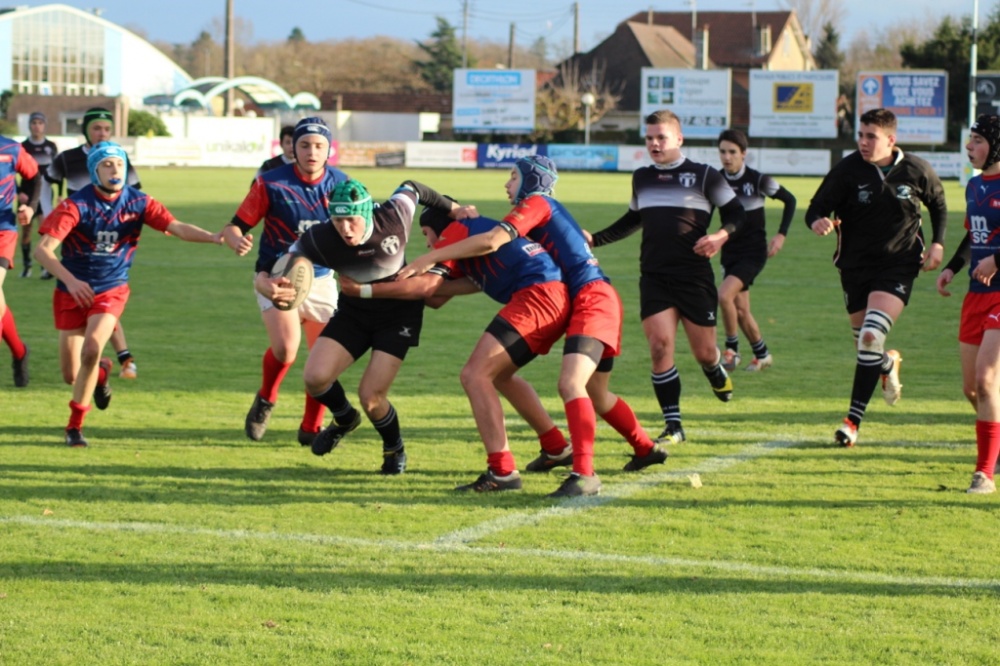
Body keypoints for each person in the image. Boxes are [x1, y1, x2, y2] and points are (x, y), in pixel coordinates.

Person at [398, 156, 665, 496]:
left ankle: (584, 474)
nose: (507, 184)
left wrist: (429, 257)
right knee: (595, 393)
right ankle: (644, 448)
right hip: (590, 298)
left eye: (513, 176)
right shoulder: (541, 214)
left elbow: (492, 240)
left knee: (570, 384)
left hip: (591, 297)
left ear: (532, 180)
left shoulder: (537, 202)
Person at [339, 203, 574, 492]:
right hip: (552, 297)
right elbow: (436, 297)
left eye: (426, 234)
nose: (428, 243)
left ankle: (502, 472)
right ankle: (556, 447)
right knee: (500, 376)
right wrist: (393, 283)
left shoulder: (456, 230)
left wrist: (365, 289)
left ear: (438, 229)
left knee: (474, 376)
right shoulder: (470, 240)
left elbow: (427, 288)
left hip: (536, 297)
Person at [33, 142, 223, 447]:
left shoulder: (139, 202)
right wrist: (71, 281)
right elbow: (43, 252)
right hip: (72, 291)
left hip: (111, 288)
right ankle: (102, 372)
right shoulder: (76, 205)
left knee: (91, 349)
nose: (115, 170)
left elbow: (177, 227)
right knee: (71, 374)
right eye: (107, 164)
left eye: (120, 164)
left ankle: (74, 427)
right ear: (95, 171)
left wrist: (213, 237)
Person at [270, 178, 457, 475]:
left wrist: (454, 209)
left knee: (371, 396)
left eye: (351, 220)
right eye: (338, 220)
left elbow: (413, 187)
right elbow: (285, 262)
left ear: (367, 213)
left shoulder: (394, 215)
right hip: (354, 313)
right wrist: (271, 285)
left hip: (399, 315)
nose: (345, 229)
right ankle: (345, 418)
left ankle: (394, 448)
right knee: (315, 378)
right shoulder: (320, 237)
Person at [585, 110, 746, 445]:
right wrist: (595, 239)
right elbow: (633, 219)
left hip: (694, 277)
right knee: (660, 348)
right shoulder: (642, 177)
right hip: (655, 276)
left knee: (704, 352)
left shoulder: (704, 175)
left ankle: (714, 367)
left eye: (661, 137)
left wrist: (720, 236)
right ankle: (674, 426)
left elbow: (737, 213)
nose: (654, 144)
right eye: (649, 138)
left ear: (679, 139)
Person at [805, 107, 947, 447]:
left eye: (871, 136)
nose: (864, 142)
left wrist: (938, 244)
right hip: (854, 268)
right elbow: (815, 208)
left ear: (891, 140)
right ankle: (888, 364)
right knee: (867, 346)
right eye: (861, 135)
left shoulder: (916, 169)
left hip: (898, 265)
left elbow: (939, 204)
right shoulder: (847, 170)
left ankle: (851, 423)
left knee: (870, 336)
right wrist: (818, 222)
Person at [222, 117, 348, 446]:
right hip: (275, 278)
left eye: (319, 146)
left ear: (329, 150)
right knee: (287, 349)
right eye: (304, 144)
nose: (311, 151)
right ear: (292, 147)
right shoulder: (271, 183)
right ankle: (266, 399)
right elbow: (234, 226)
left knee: (323, 363)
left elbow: (358, 230)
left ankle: (311, 427)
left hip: (322, 279)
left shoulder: (342, 184)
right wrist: (236, 241)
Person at [48, 107, 141, 379]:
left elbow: (136, 194)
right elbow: (45, 183)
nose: (102, 133)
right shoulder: (68, 158)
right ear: (86, 130)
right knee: (71, 373)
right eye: (96, 128)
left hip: (109, 241)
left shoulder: (118, 157)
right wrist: (48, 210)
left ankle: (123, 356)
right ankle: (114, 361)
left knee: (106, 297)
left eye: (107, 129)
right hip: (75, 242)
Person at [936, 114, 1000, 493]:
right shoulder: (974, 186)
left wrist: (997, 260)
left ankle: (984, 474)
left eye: (977, 140)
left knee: (986, 380)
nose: (968, 146)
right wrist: (952, 268)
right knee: (971, 390)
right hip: (976, 294)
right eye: (969, 139)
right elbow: (973, 237)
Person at [716, 129, 797, 372]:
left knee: (724, 296)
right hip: (729, 251)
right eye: (722, 152)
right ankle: (762, 355)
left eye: (732, 152)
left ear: (743, 153)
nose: (727, 157)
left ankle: (732, 351)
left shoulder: (758, 180)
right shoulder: (716, 181)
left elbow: (790, 200)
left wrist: (781, 234)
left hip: (753, 252)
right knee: (741, 310)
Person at [0, 133, 40, 388]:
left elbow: (34, 176)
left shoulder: (11, 149)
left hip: (2, 230)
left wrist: (31, 206)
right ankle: (19, 351)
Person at [18, 111, 58, 279]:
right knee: (26, 232)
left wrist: (60, 193)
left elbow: (57, 172)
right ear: (29, 126)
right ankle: (27, 266)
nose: (37, 126)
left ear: (44, 125)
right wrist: (19, 192)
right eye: (34, 123)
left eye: (40, 123)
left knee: (45, 231)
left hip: (45, 195)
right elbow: (12, 172)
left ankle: (45, 267)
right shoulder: (23, 146)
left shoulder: (51, 147)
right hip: (27, 195)